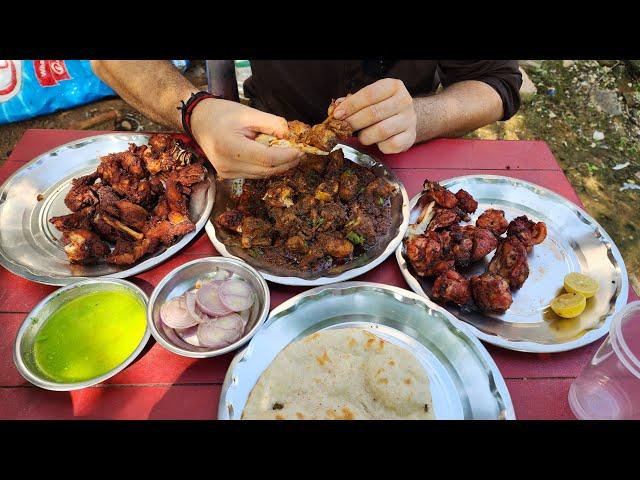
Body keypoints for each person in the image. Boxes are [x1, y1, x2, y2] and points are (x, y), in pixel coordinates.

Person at [91, 60, 522, 179]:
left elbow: (499, 83)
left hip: (403, 161)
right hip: (261, 147)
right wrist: (195, 110)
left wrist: (423, 116)